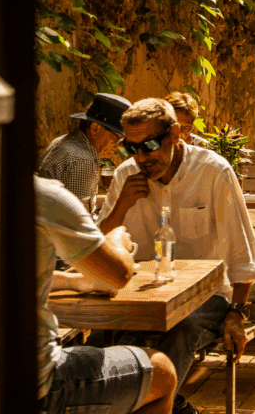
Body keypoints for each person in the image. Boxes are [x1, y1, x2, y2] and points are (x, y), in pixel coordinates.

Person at [97, 99, 255, 414]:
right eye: (130, 148)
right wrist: (120, 206)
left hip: (207, 298)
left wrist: (237, 315)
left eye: (149, 145)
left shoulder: (213, 172)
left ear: (175, 134)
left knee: (180, 329)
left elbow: (243, 254)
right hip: (144, 298)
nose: (141, 157)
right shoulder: (126, 175)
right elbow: (96, 247)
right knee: (109, 339)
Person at [36, 174, 178, 414]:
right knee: (161, 371)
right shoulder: (43, 196)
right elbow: (119, 275)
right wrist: (116, 241)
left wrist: (76, 282)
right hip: (37, 387)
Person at [37, 92, 130, 209]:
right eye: (116, 138)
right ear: (95, 128)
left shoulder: (63, 141)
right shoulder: (83, 160)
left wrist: (118, 200)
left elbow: (80, 202)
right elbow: (81, 220)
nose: (117, 147)